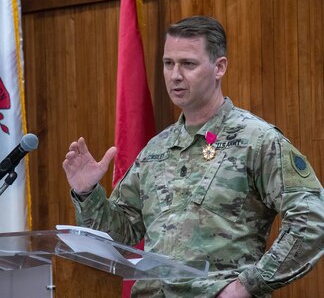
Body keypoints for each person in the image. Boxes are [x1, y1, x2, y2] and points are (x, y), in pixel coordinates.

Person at [63, 16, 324, 298]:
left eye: (188, 64)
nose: (175, 75)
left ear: (219, 67)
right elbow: (122, 235)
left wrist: (249, 284)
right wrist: (87, 193)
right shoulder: (156, 150)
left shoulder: (257, 140)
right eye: (168, 63)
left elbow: (311, 220)